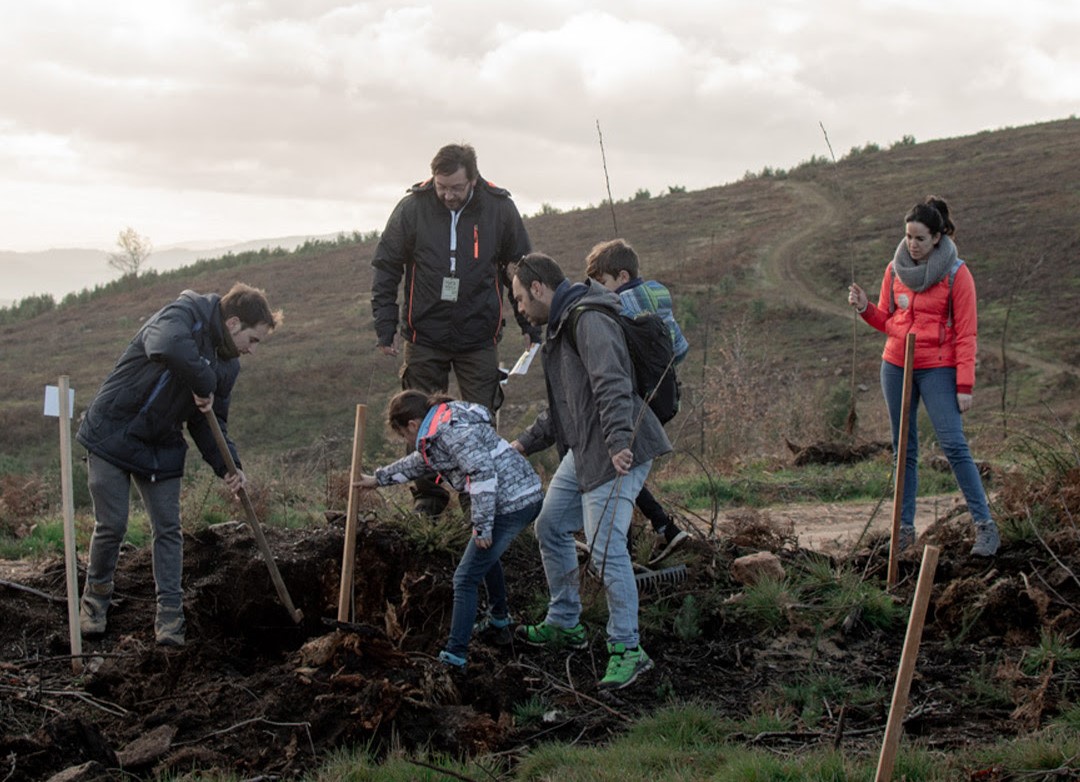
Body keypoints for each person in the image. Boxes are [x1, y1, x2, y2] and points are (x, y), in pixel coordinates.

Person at [77, 283, 281, 645]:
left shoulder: (229, 366)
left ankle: (170, 614)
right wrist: (204, 379)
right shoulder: (183, 314)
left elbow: (209, 422)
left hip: (160, 445)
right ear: (233, 323)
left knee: (168, 529)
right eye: (254, 340)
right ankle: (95, 599)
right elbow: (166, 346)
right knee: (112, 524)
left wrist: (229, 467)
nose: (252, 351)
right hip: (113, 430)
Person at [509, 252, 672, 690]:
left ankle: (628, 649)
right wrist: (523, 443)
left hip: (618, 448)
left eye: (521, 299)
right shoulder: (562, 326)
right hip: (586, 448)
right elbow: (566, 406)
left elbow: (612, 382)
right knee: (550, 527)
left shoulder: (587, 319)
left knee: (604, 546)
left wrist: (620, 442)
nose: (520, 310)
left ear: (539, 288)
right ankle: (565, 621)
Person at [371, 142, 537, 516]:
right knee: (420, 420)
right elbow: (386, 266)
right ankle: (428, 497)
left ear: (473, 180)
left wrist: (529, 322)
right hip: (424, 333)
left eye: (455, 188)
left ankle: (477, 496)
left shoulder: (498, 208)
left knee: (478, 419)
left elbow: (520, 268)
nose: (447, 194)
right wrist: (386, 326)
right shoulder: (413, 207)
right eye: (441, 186)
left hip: (478, 335)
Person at [847, 196, 1000, 557]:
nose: (911, 245)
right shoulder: (894, 269)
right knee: (904, 450)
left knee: (953, 444)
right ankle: (903, 531)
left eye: (919, 238)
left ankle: (985, 527)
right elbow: (887, 321)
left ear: (937, 237)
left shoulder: (956, 273)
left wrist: (964, 385)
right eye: (908, 237)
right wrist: (865, 308)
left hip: (938, 368)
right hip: (896, 364)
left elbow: (967, 333)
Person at [353, 390, 543, 669]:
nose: (408, 442)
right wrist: (378, 479)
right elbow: (421, 462)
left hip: (514, 503)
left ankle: (455, 655)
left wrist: (482, 526)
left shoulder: (450, 431)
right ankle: (499, 619)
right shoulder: (441, 427)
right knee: (484, 557)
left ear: (413, 425)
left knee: (464, 578)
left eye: (404, 436)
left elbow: (481, 474)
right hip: (521, 495)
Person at [585, 238, 690, 564]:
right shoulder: (659, 294)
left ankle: (626, 548)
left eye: (603, 283)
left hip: (636, 401)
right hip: (665, 397)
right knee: (624, 470)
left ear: (622, 276)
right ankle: (662, 527)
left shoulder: (620, 304)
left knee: (616, 467)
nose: (601, 291)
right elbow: (681, 349)